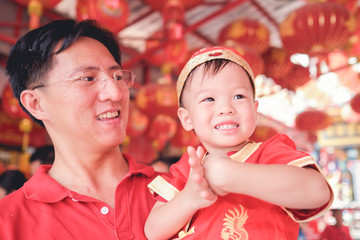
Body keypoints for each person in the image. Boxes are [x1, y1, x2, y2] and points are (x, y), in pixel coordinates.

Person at [145, 46, 334, 239]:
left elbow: (318, 192)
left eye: (238, 96)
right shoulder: (188, 170)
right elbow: (153, 231)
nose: (226, 108)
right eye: (209, 99)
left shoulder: (270, 152)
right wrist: (189, 198)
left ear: (254, 110)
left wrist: (232, 175)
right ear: (186, 118)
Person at [0, 19, 159, 239]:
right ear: (36, 104)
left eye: (117, 76)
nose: (116, 93)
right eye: (87, 78)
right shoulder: (9, 223)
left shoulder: (178, 192)